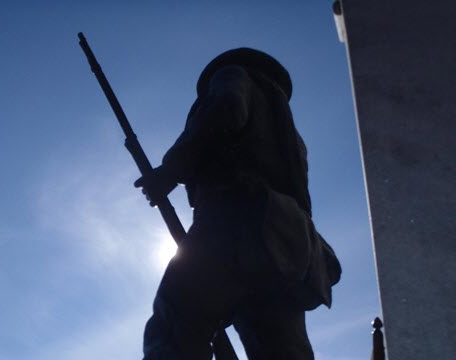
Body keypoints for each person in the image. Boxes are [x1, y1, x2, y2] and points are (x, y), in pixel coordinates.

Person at [135, 48, 341, 360]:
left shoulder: (233, 76)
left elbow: (225, 109)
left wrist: (171, 170)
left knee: (173, 327)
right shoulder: (292, 137)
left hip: (234, 222)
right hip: (286, 243)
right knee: (283, 350)